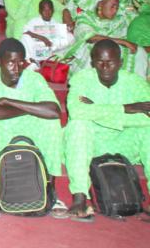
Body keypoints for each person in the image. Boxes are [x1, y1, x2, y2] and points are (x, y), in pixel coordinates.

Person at [0, 39, 66, 219]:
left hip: (30, 131)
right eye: (10, 63)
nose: (16, 68)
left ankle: (50, 188)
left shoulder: (34, 78)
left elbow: (54, 111)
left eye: (21, 62)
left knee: (52, 123)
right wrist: (31, 108)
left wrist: (10, 102)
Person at [64, 40, 150, 221]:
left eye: (110, 63)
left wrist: (97, 110)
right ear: (92, 62)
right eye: (99, 62)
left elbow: (146, 116)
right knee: (79, 124)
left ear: (120, 62)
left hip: (124, 143)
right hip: (90, 142)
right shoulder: (82, 79)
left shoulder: (134, 82)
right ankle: (80, 196)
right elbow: (77, 111)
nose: (105, 68)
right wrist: (126, 108)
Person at [66, 0, 147, 79]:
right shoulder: (86, 17)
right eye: (112, 6)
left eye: (117, 7)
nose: (115, 11)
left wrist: (126, 43)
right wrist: (124, 42)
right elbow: (92, 38)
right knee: (97, 49)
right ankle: (89, 82)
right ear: (100, 4)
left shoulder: (119, 20)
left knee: (139, 51)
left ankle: (136, 83)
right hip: (90, 47)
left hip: (115, 48)